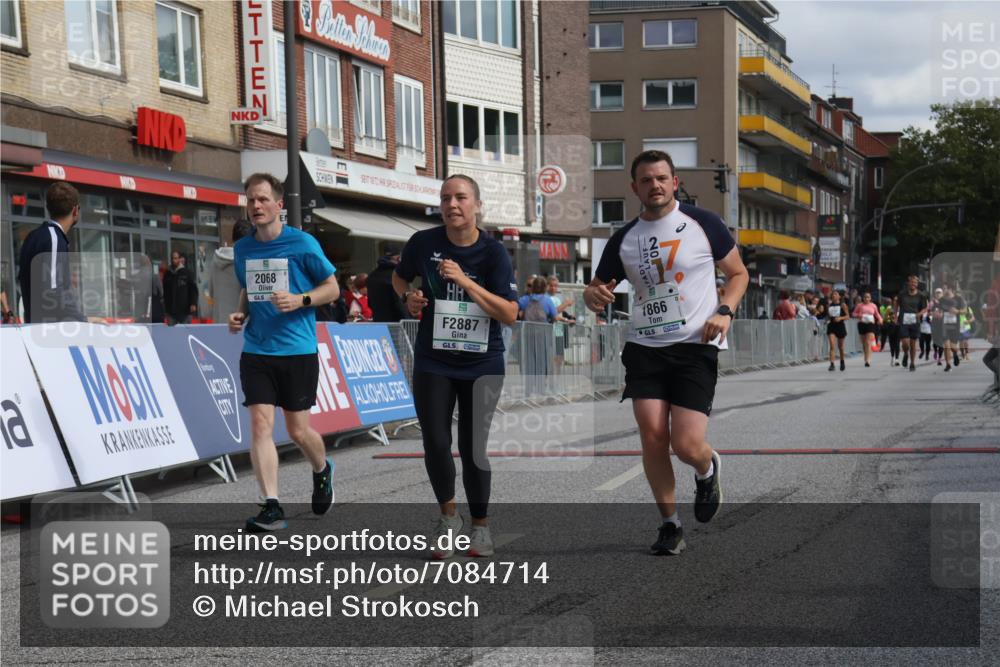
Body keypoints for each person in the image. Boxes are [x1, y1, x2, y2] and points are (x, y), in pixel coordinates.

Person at [583, 150, 748, 556]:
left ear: (674, 182)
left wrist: (725, 311)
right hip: (646, 348)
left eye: (661, 178)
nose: (654, 185)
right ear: (634, 187)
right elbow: (596, 287)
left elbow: (739, 274)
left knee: (686, 445)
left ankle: (707, 469)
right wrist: (593, 294)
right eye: (646, 179)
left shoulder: (703, 223)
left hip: (695, 346)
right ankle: (670, 525)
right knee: (653, 438)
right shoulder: (624, 238)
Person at [392, 174, 518, 559]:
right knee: (435, 440)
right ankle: (449, 518)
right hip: (434, 358)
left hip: (482, 361)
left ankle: (480, 526)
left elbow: (509, 313)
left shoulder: (493, 253)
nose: (452, 205)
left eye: (461, 197)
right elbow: (399, 279)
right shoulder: (424, 243)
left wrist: (466, 282)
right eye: (446, 198)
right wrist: (409, 298)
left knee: (472, 446)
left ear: (477, 205)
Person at [228, 173, 341, 532]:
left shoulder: (303, 244)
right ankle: (271, 505)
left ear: (279, 205)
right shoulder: (243, 248)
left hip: (297, 350)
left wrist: (301, 299)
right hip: (258, 349)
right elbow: (248, 289)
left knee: (297, 430)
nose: (256, 206)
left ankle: (322, 470)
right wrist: (240, 314)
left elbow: (333, 288)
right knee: (261, 424)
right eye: (250, 200)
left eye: (262, 199)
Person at [17, 182, 88, 323]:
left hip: (36, 328)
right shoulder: (54, 238)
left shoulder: (33, 237)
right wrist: (83, 319)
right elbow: (53, 292)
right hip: (52, 331)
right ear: (75, 210)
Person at [207, 219, 253, 324]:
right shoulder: (247, 261)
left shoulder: (216, 260)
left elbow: (210, 292)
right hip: (240, 324)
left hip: (219, 323)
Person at [367, 244, 407, 322]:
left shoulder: (372, 275)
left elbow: (370, 303)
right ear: (398, 258)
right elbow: (400, 304)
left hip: (378, 322)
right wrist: (408, 318)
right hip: (397, 324)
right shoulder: (397, 276)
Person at [897, 275, 928, 372]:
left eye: (915, 283)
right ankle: (906, 353)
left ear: (917, 284)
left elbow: (925, 308)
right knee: (905, 343)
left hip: (915, 320)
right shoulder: (902, 294)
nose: (913, 284)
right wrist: (894, 315)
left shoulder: (921, 295)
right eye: (912, 282)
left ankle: (912, 363)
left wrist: (919, 314)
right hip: (903, 319)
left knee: (913, 343)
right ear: (908, 283)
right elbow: (896, 304)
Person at [163, 250, 198, 325]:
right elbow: (165, 291)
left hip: (184, 310)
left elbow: (193, 289)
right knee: (172, 335)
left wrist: (193, 303)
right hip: (171, 311)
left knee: (185, 334)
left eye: (176, 258)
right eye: (172, 258)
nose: (174, 260)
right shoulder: (168, 274)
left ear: (179, 259)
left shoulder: (186, 272)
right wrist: (165, 307)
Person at [852, 292, 882, 367]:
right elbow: (853, 314)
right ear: (863, 298)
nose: (866, 299)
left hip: (870, 324)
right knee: (864, 342)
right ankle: (866, 356)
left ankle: (868, 360)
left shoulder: (873, 306)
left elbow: (877, 314)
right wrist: (860, 315)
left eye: (868, 297)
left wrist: (880, 319)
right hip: (862, 324)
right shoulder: (859, 305)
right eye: (865, 297)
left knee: (868, 342)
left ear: (870, 298)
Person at [938, 286, 964, 372]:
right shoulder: (941, 300)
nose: (945, 290)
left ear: (951, 289)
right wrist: (939, 314)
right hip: (944, 326)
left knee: (953, 347)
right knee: (946, 346)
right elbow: (939, 310)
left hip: (955, 326)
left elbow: (965, 310)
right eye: (944, 289)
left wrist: (957, 311)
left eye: (946, 288)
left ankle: (955, 354)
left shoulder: (958, 299)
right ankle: (948, 364)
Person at [825, 290, 850, 371]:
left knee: (841, 347)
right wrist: (827, 320)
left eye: (836, 294)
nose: (834, 295)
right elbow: (828, 316)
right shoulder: (829, 305)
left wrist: (840, 318)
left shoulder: (843, 305)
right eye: (833, 294)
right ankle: (832, 364)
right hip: (831, 326)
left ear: (839, 296)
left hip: (840, 326)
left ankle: (842, 361)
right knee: (832, 345)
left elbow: (847, 316)